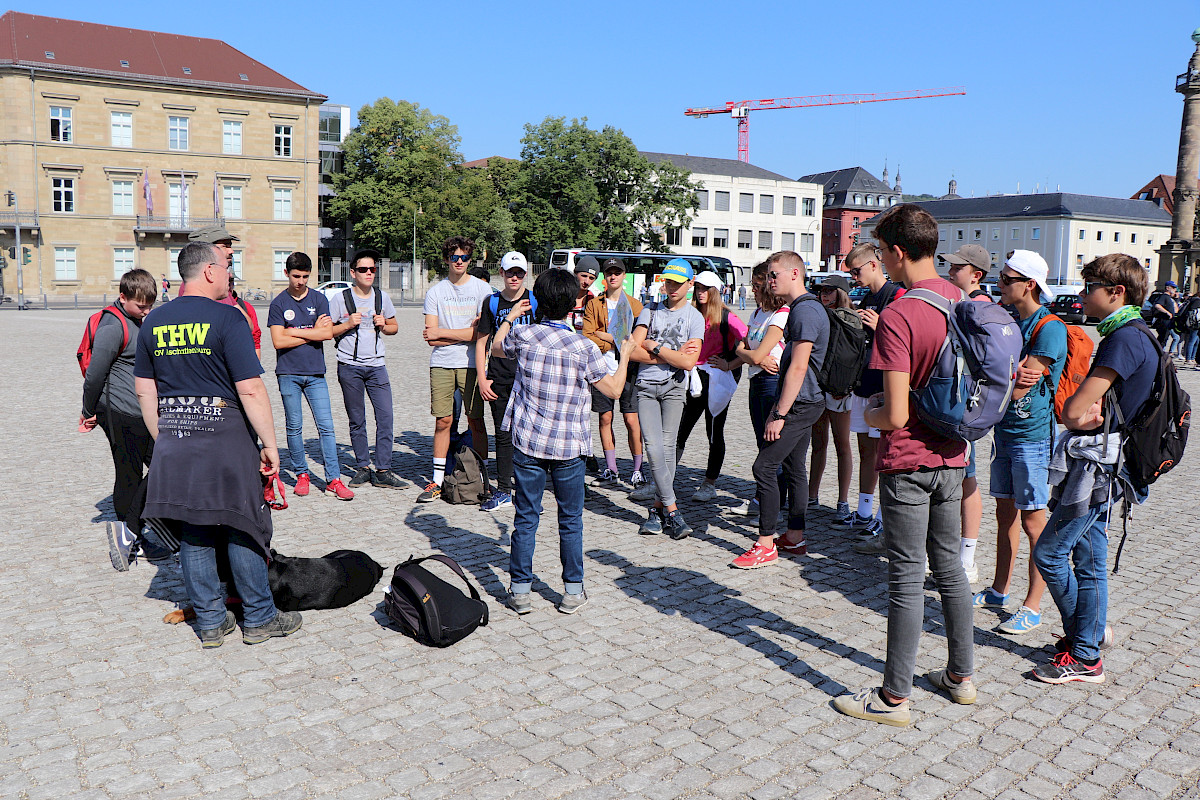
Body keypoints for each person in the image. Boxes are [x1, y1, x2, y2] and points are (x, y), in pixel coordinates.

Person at [833, 204, 976, 726]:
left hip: (910, 460)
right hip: (955, 453)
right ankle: (961, 677)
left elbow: (892, 413)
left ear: (895, 252)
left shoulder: (899, 313)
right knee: (951, 570)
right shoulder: (962, 299)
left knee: (906, 580)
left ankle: (894, 698)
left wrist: (866, 410)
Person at [134, 242, 300, 648]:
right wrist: (271, 444)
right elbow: (251, 389)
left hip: (176, 439)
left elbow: (143, 391)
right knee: (241, 525)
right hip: (225, 440)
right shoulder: (228, 318)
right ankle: (259, 618)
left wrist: (166, 438)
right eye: (227, 265)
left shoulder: (153, 322)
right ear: (209, 271)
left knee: (195, 531)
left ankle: (210, 622)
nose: (231, 274)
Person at [1031, 254, 1156, 684]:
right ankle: (1090, 638)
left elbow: (1073, 410)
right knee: (1089, 559)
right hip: (1111, 464)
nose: (1083, 297)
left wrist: (1076, 412)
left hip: (1096, 469)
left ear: (1116, 292)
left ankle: (1084, 649)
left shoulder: (1122, 339)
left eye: (1090, 289)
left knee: (1049, 553)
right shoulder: (1142, 333)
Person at [493, 268, 636, 615]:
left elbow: (497, 347)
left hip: (528, 443)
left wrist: (510, 317)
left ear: (538, 300)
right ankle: (572, 591)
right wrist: (627, 350)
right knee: (571, 520)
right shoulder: (583, 346)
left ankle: (520, 591)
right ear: (574, 304)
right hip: (570, 447)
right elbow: (614, 390)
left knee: (526, 518)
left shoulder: (524, 335)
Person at [970, 251, 1066, 635]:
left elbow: (1020, 378)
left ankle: (1033, 604)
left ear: (1029, 284)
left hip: (1032, 436)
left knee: (1033, 520)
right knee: (1004, 515)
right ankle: (999, 590)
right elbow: (1004, 377)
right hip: (1005, 432)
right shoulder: (1010, 321)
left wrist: (999, 376)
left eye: (1007, 279)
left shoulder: (1050, 328)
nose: (999, 285)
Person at [730, 251, 828, 569]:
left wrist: (780, 413)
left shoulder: (804, 311)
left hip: (800, 404)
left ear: (795, 274)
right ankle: (795, 537)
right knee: (794, 467)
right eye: (769, 276)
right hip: (806, 401)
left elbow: (798, 367)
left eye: (774, 274)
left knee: (764, 466)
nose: (769, 280)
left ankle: (766, 543)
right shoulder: (802, 309)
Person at [80, 268, 167, 570]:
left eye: (150, 305)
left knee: (164, 465)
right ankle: (127, 534)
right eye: (141, 305)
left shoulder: (138, 321)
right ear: (123, 297)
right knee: (128, 473)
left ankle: (141, 529)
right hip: (119, 411)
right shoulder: (112, 325)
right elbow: (94, 375)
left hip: (143, 411)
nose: (146, 310)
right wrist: (88, 411)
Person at [267, 252, 354, 501]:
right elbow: (277, 340)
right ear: (286, 274)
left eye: (305, 276)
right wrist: (310, 331)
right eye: (296, 276)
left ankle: (333, 479)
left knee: (326, 427)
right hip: (288, 373)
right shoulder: (278, 303)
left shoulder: (319, 299)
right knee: (294, 428)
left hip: (316, 374)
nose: (301, 281)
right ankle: (302, 473)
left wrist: (294, 332)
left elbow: (326, 335)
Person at [629, 258, 705, 540]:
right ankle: (673, 511)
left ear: (690, 284)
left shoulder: (694, 318)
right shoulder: (650, 310)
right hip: (646, 386)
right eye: (668, 282)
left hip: (675, 388)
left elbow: (688, 363)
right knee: (653, 446)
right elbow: (632, 349)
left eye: (677, 282)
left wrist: (656, 346)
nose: (671, 287)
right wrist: (672, 354)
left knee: (668, 448)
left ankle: (656, 510)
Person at [419, 237, 493, 502]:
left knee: (476, 422)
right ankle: (437, 481)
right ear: (446, 259)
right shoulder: (436, 292)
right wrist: (466, 334)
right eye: (454, 257)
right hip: (441, 363)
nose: (459, 262)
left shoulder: (482, 290)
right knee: (443, 421)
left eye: (464, 257)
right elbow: (431, 337)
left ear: (470, 260)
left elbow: (482, 333)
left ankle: (482, 479)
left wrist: (445, 332)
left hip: (473, 364)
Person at [843, 243, 905, 554]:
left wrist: (880, 326)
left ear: (872, 265)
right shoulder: (867, 297)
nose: (853, 276)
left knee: (885, 456)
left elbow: (903, 340)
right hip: (863, 382)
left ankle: (884, 517)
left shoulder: (897, 295)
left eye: (856, 270)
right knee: (866, 451)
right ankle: (865, 511)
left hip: (884, 386)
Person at [330, 249, 407, 490]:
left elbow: (394, 327)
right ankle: (363, 467)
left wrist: (385, 325)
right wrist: (346, 324)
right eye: (363, 269)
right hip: (349, 366)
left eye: (372, 269)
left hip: (376, 366)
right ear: (353, 273)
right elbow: (327, 331)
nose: (368, 273)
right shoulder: (340, 299)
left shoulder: (382, 298)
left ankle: (383, 469)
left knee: (386, 418)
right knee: (357, 419)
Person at [942, 244, 995, 582]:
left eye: (957, 268)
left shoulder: (979, 307)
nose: (950, 272)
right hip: (956, 401)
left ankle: (967, 557)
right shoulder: (964, 304)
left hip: (967, 404)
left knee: (967, 480)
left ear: (975, 274)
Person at [676, 270, 747, 503]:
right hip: (694, 378)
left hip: (718, 382)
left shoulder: (727, 317)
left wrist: (730, 364)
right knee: (679, 429)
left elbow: (750, 342)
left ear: (715, 291)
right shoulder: (692, 313)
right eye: (697, 288)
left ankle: (709, 483)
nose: (700, 292)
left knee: (714, 433)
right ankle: (664, 479)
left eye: (705, 288)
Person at [475, 252, 537, 512]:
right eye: (510, 272)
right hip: (499, 376)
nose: (514, 277)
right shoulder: (492, 302)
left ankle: (527, 491)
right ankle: (503, 490)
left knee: (529, 434)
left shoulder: (535, 300)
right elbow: (482, 342)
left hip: (529, 376)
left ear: (526, 274)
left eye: (519, 273)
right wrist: (482, 378)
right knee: (502, 434)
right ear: (501, 272)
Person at [582, 257, 646, 491]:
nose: (613, 276)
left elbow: (636, 340)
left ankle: (638, 470)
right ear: (604, 277)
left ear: (624, 276)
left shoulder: (635, 305)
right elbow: (588, 335)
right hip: (601, 368)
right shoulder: (594, 304)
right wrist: (615, 342)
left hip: (628, 368)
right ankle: (611, 469)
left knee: (631, 420)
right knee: (605, 418)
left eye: (617, 272)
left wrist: (607, 336)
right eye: (609, 272)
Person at [729, 262, 786, 519]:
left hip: (772, 382)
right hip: (756, 379)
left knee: (771, 446)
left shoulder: (781, 314)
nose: (752, 290)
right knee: (761, 442)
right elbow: (742, 348)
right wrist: (754, 357)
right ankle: (768, 497)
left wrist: (753, 356)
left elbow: (753, 352)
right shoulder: (757, 314)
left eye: (756, 284)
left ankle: (766, 500)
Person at [807, 274, 854, 523]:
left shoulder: (850, 318)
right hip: (818, 385)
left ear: (841, 293)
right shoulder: (818, 315)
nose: (824, 294)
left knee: (842, 445)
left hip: (840, 388)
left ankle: (843, 501)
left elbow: (854, 357)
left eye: (829, 290)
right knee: (818, 443)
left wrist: (846, 386)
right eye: (821, 290)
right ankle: (812, 495)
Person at [185, 225, 261, 358]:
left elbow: (248, 326)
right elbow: (242, 325)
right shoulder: (210, 285)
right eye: (225, 246)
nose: (231, 251)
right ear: (207, 249)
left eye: (230, 245)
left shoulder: (215, 284)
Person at [569, 256, 603, 474]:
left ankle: (585, 452)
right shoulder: (565, 294)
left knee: (584, 410)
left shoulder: (594, 300)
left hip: (585, 358)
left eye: (591, 278)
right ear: (576, 273)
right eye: (584, 275)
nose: (587, 281)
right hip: (565, 358)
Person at [1151, 281, 1180, 353]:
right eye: (1173, 288)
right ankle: (1157, 354)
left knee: (1165, 339)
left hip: (1169, 322)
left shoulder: (1169, 298)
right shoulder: (1164, 296)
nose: (1174, 290)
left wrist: (1176, 298)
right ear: (1167, 288)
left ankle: (1159, 353)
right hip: (1164, 321)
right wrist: (1167, 313)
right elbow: (1157, 305)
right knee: (1162, 339)